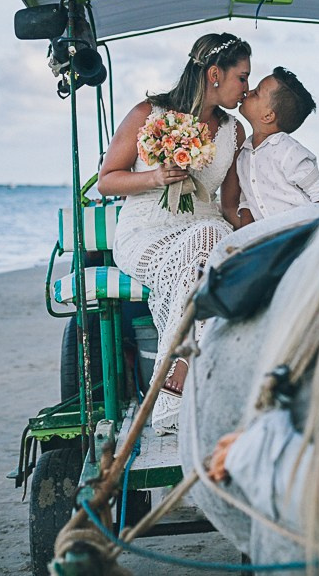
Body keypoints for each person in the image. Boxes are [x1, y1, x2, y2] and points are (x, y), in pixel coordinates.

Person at [98, 33, 251, 435]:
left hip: (204, 228)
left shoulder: (233, 133)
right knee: (206, 243)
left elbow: (229, 205)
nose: (247, 88)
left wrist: (259, 231)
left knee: (212, 240)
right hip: (146, 230)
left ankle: (177, 368)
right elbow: (107, 181)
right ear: (215, 74)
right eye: (242, 77)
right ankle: (184, 368)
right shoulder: (149, 113)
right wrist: (155, 176)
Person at [236, 66, 319, 228]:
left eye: (256, 93)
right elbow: (247, 202)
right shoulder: (244, 154)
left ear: (268, 116)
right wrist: (244, 238)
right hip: (268, 241)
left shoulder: (288, 151)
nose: (248, 92)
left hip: (301, 235)